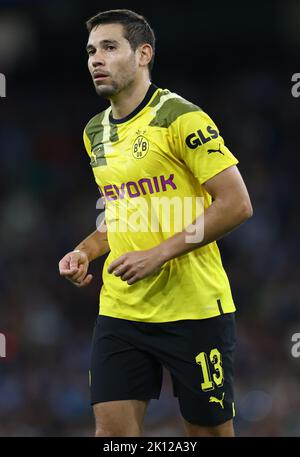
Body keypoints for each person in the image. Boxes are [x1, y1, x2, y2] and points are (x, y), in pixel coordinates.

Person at [58, 9, 253, 437]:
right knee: (112, 437)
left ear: (143, 53)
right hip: (122, 310)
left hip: (194, 308)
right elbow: (121, 213)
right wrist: (85, 251)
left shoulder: (180, 117)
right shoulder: (95, 132)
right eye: (91, 50)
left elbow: (236, 204)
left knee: (207, 434)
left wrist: (160, 253)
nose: (95, 59)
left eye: (109, 47)